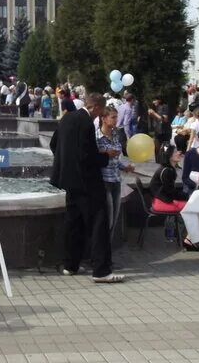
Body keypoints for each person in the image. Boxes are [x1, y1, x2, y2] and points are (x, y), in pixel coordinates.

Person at [50, 93, 123, 283]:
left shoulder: (67, 118)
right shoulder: (86, 122)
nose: (99, 116)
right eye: (100, 111)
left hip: (68, 180)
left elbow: (53, 144)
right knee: (99, 222)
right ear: (97, 108)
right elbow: (87, 157)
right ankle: (101, 270)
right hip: (87, 182)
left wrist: (66, 162)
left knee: (74, 222)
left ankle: (70, 265)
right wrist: (106, 155)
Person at [149, 145, 199, 251]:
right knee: (195, 208)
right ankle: (188, 239)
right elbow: (171, 193)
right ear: (168, 156)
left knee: (191, 205)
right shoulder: (167, 171)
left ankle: (185, 236)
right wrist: (187, 196)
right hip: (162, 202)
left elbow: (169, 191)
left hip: (160, 200)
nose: (179, 153)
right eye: (175, 152)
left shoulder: (167, 169)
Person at [95, 106, 133, 237]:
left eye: (116, 117)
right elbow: (91, 158)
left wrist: (125, 167)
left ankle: (108, 250)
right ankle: (102, 252)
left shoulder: (116, 134)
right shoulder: (96, 137)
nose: (116, 120)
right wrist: (105, 153)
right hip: (104, 181)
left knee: (114, 221)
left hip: (116, 180)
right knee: (108, 220)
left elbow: (116, 159)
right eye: (113, 117)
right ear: (104, 119)